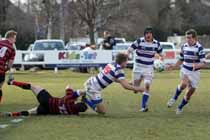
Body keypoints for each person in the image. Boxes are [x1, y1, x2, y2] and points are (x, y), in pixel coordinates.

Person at [166, 29, 206, 114]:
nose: (187, 39)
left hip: (195, 73)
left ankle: (180, 107)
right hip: (185, 70)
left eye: (189, 38)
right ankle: (174, 98)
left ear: (195, 38)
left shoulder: (199, 48)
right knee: (183, 84)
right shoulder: (184, 46)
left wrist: (197, 65)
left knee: (188, 95)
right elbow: (181, 59)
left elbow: (203, 62)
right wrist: (173, 66)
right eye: (186, 38)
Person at [4, 78, 87, 116]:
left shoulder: (69, 99)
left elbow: (68, 88)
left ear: (77, 102)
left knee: (33, 87)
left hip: (47, 100)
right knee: (30, 112)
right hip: (47, 110)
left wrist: (83, 93)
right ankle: (12, 114)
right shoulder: (73, 113)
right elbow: (74, 103)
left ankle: (12, 82)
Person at [127, 27, 163, 112]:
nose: (148, 35)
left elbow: (162, 55)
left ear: (152, 35)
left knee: (147, 85)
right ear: (144, 35)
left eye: (150, 33)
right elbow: (129, 50)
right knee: (135, 89)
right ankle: (135, 82)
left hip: (148, 67)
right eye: (146, 33)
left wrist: (160, 61)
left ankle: (144, 106)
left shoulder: (156, 44)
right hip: (138, 67)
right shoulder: (139, 41)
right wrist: (126, 56)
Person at [0, 30, 17, 103]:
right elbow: (10, 65)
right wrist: (5, 69)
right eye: (15, 38)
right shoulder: (12, 49)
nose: (15, 41)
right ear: (11, 38)